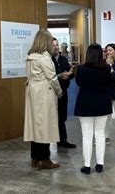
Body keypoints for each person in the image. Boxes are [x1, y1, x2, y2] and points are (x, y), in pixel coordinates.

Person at [24, 29, 62, 170]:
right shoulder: (44, 57)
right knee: (45, 125)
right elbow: (52, 77)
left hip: (32, 91)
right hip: (44, 93)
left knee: (35, 125)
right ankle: (44, 159)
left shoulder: (30, 55)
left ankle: (35, 157)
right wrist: (59, 91)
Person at [74, 44, 112, 174]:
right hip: (102, 104)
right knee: (100, 135)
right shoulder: (106, 69)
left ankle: (87, 166)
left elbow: (78, 83)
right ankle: (100, 164)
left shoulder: (80, 69)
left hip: (85, 104)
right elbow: (109, 83)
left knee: (87, 136)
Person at [51, 38, 76, 149]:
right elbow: (50, 76)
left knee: (62, 116)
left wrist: (70, 73)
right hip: (52, 92)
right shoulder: (48, 60)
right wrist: (60, 75)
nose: (56, 47)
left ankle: (62, 140)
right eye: (54, 45)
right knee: (53, 117)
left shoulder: (63, 59)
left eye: (57, 45)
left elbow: (70, 73)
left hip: (63, 91)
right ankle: (54, 139)